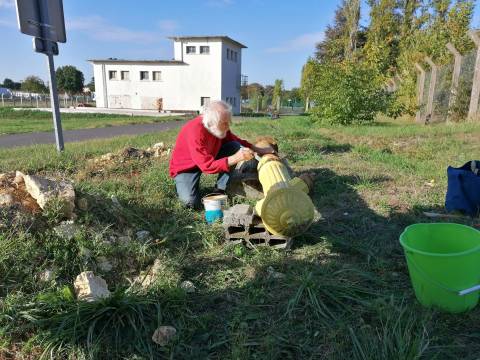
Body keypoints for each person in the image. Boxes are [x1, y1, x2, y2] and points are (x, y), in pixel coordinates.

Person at [169, 100, 272, 209]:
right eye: (225, 123)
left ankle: (219, 190)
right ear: (211, 123)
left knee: (234, 146)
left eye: (229, 122)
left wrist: (258, 149)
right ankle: (182, 185)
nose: (228, 126)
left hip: (208, 157)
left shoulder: (218, 126)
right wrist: (236, 158)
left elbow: (235, 140)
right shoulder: (195, 131)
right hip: (187, 167)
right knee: (190, 203)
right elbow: (206, 166)